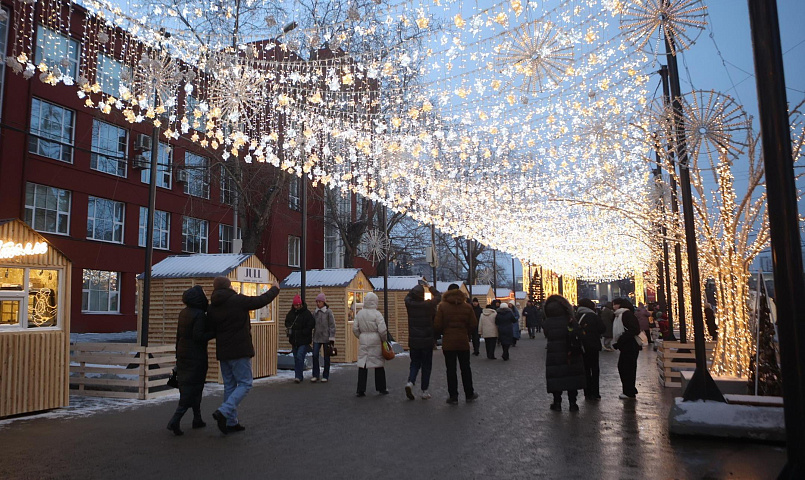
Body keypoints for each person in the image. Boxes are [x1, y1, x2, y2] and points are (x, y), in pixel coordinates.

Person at [208, 276, 280, 435]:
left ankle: (231, 421)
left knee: (230, 385)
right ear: (229, 286)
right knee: (246, 383)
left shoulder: (213, 306)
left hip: (223, 351)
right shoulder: (237, 300)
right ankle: (223, 411)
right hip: (239, 350)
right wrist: (275, 289)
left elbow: (210, 328)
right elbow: (260, 301)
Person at [167, 285, 215, 436]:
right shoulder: (199, 315)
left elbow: (179, 335)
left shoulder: (183, 312)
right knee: (194, 387)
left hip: (183, 353)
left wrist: (177, 353)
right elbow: (198, 336)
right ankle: (175, 420)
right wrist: (214, 333)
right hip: (196, 356)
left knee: (189, 386)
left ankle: (197, 418)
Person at [434, 284, 479, 404]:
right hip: (463, 341)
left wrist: (445, 331)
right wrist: (466, 333)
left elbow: (437, 325)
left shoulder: (443, 307)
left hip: (448, 342)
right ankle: (469, 394)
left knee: (451, 370)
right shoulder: (467, 307)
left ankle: (453, 396)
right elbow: (473, 324)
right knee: (465, 368)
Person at [543, 294, 585, 412]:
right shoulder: (570, 320)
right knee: (571, 378)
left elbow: (547, 334)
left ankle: (557, 402)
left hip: (554, 354)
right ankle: (573, 403)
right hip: (570, 353)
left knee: (556, 378)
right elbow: (579, 334)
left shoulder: (548, 322)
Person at [404, 283, 441, 400]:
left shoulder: (410, 305)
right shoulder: (428, 305)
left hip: (414, 340)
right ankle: (425, 391)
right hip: (427, 340)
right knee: (426, 366)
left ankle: (410, 381)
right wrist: (430, 287)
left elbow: (407, 297)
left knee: (414, 363)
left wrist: (414, 290)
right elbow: (438, 296)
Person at [352, 292, 389, 396]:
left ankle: (360, 389)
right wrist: (383, 339)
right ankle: (381, 388)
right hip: (376, 340)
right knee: (378, 364)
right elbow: (382, 330)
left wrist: (361, 336)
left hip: (364, 338)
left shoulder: (360, 313)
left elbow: (355, 329)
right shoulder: (377, 314)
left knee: (363, 364)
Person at [576, 298, 605, 401]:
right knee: (595, 368)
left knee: (585, 369)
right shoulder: (594, 316)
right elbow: (602, 328)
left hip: (582, 346)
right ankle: (595, 392)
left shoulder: (577, 316)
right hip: (594, 345)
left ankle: (587, 392)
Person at [612, 297, 641, 400]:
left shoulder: (626, 314)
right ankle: (629, 390)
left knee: (626, 368)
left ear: (619, 305)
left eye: (614, 304)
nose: (613, 306)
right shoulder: (620, 315)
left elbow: (634, 329)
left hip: (630, 345)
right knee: (625, 368)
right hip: (627, 346)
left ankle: (629, 391)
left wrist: (621, 339)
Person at [285, 295, 316, 384]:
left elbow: (311, 324)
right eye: (295, 305)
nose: (297, 307)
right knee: (296, 358)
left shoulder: (307, 313)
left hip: (303, 339)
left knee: (299, 356)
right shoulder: (291, 313)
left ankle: (298, 376)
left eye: (298, 305)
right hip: (294, 339)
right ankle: (298, 375)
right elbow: (287, 322)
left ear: (301, 304)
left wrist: (304, 331)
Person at [311, 293, 336, 383]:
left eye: (320, 301)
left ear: (323, 302)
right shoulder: (315, 312)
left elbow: (332, 325)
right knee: (315, 355)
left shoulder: (328, 312)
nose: (318, 303)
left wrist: (332, 337)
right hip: (317, 337)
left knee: (326, 357)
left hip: (326, 338)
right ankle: (315, 375)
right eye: (317, 302)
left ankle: (325, 375)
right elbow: (312, 324)